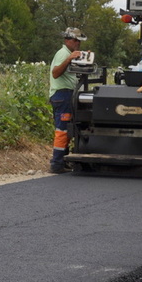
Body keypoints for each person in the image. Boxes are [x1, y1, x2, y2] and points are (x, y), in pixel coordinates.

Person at [48, 27, 88, 174]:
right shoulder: (63, 54)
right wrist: (69, 59)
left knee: (65, 128)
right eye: (75, 40)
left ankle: (62, 161)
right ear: (67, 40)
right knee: (62, 130)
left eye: (79, 41)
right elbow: (56, 73)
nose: (78, 43)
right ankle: (57, 163)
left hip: (66, 95)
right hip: (62, 95)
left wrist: (84, 58)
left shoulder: (68, 54)